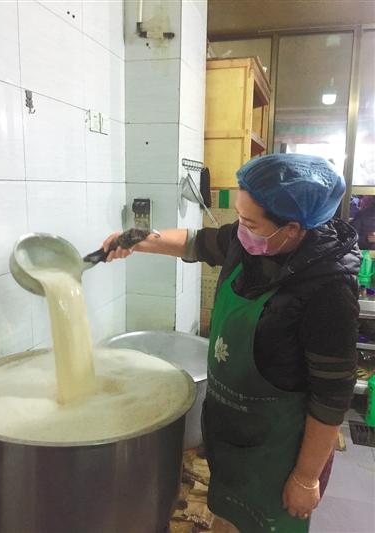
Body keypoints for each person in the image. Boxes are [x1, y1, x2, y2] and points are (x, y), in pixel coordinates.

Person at [103, 154, 360, 533]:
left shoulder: (329, 291)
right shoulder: (253, 241)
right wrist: (137, 239)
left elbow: (331, 397)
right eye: (240, 217)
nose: (240, 229)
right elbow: (196, 243)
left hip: (281, 452)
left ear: (292, 229)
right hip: (234, 435)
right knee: (227, 520)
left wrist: (305, 478)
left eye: (250, 223)